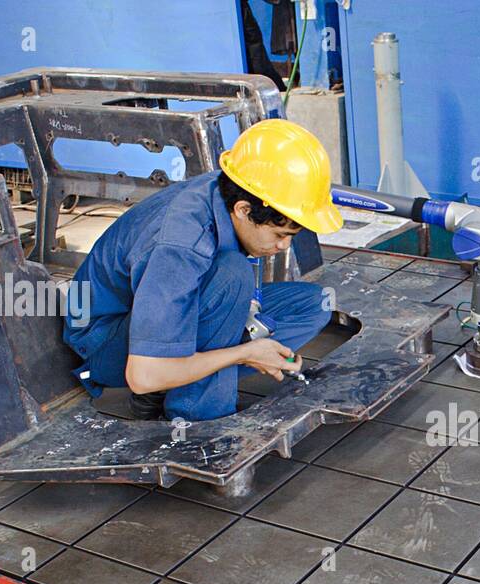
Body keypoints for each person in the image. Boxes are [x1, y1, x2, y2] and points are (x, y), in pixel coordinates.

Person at [61, 118, 343, 421]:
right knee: (232, 276)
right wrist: (245, 353)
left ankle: (184, 373)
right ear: (244, 210)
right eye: (279, 234)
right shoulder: (179, 246)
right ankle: (199, 422)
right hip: (107, 343)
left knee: (313, 304)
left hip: (170, 312)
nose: (284, 246)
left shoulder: (235, 189)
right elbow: (143, 374)